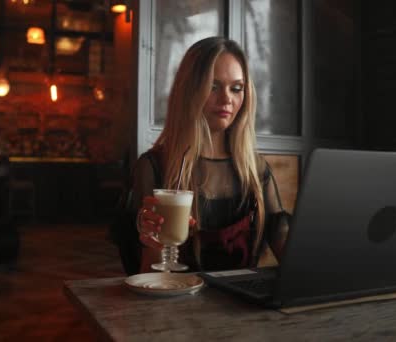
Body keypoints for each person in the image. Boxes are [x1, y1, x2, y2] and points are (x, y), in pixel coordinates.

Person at [124, 36, 289, 274]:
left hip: (243, 307)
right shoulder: (153, 167)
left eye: (236, 88)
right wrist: (152, 239)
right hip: (177, 305)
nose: (227, 99)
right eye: (213, 86)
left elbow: (284, 243)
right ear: (189, 90)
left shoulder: (255, 168)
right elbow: (149, 278)